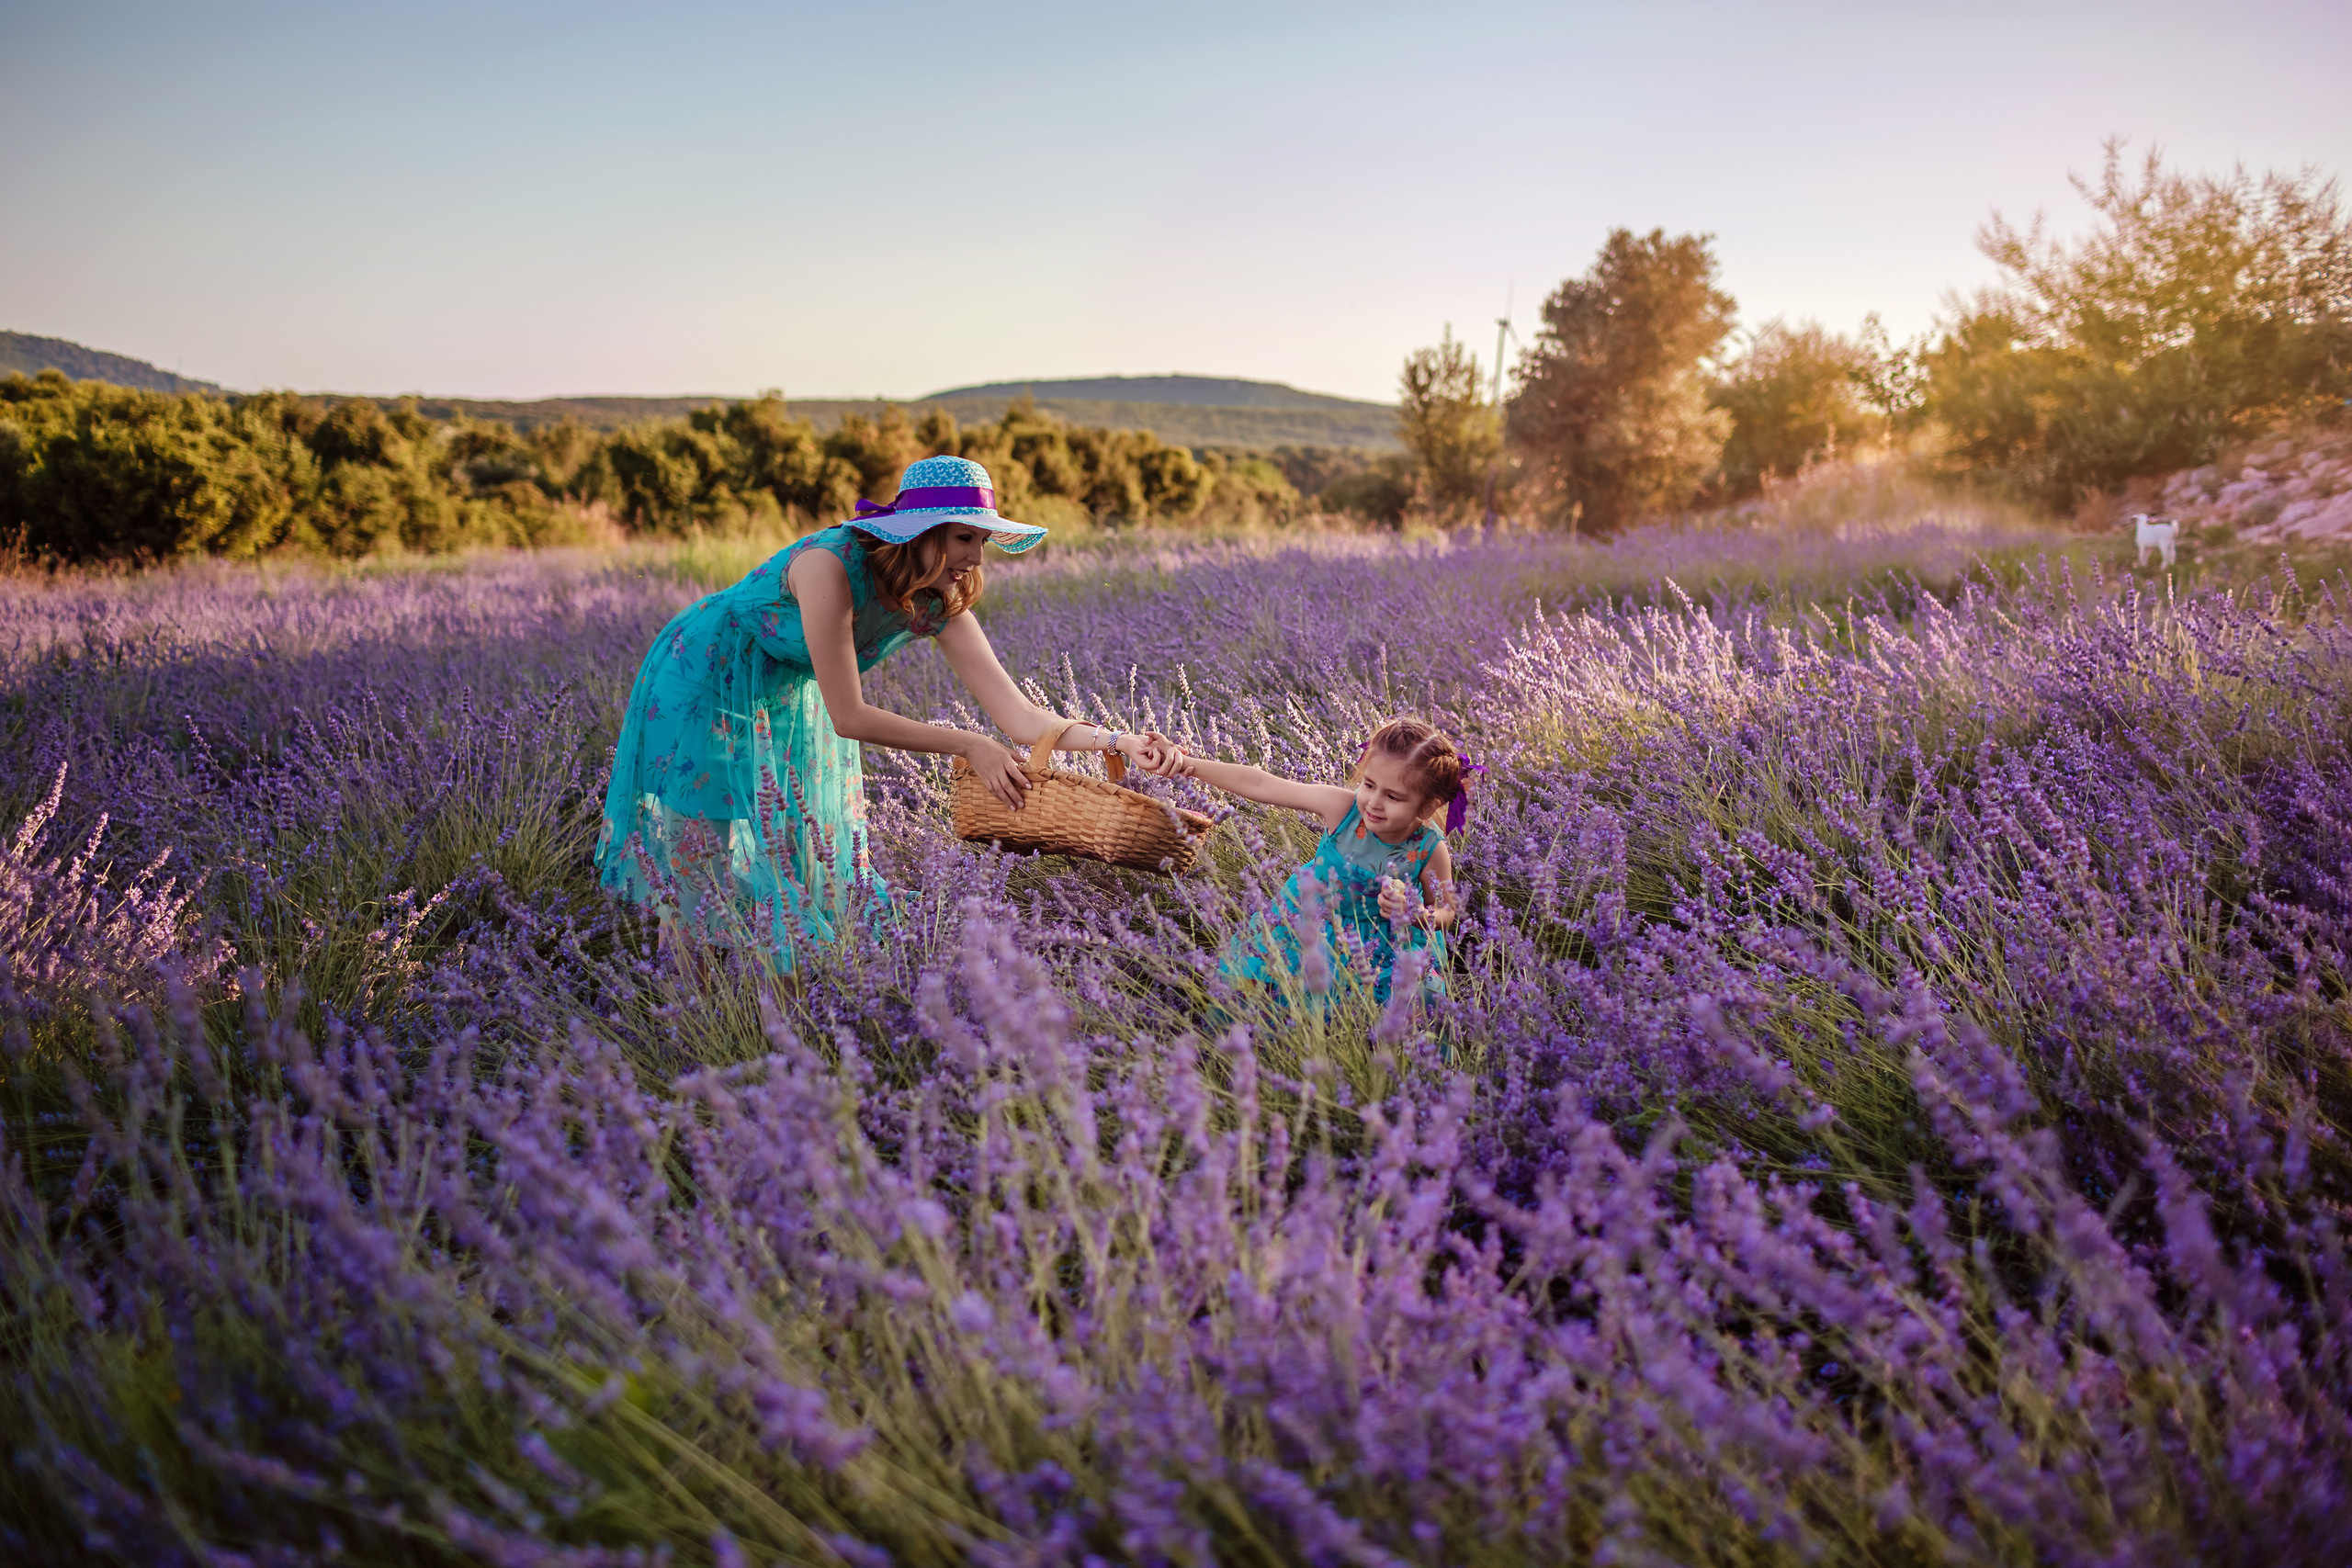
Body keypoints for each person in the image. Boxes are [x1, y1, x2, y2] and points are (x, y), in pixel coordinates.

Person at [596, 455, 1170, 971]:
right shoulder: (828, 567)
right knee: (702, 853)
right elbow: (848, 716)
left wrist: (1116, 742)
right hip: (704, 675)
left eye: (983, 542)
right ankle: (697, 1012)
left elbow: (1020, 717)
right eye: (964, 538)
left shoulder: (938, 602)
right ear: (917, 533)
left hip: (784, 688)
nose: (974, 559)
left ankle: (780, 1004)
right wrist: (968, 743)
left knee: (806, 853)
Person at [1145, 716, 1476, 1007]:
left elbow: (1447, 910)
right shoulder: (1343, 810)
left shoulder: (1430, 848)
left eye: (1393, 796)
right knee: (1269, 995)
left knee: (1390, 1018)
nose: (1373, 802)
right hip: (1311, 924)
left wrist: (1416, 913)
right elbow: (1262, 782)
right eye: (1369, 785)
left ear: (1427, 807)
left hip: (1380, 948)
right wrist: (1185, 763)